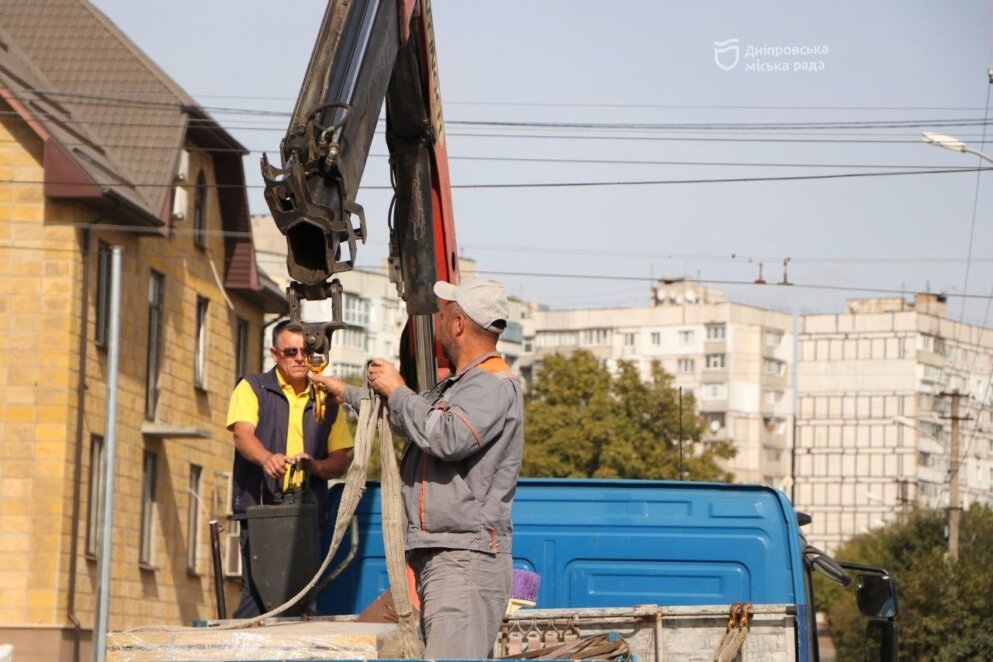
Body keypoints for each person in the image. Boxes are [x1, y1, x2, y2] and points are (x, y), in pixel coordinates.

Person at [311, 279, 524, 658]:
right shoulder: (459, 388)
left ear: (458, 324)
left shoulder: (491, 386)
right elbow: (408, 418)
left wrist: (397, 390)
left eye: (443, 315)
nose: (439, 323)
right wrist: (343, 391)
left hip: (464, 557)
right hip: (448, 553)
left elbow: (445, 435)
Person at [226, 319, 353, 618]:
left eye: (306, 352)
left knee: (301, 599)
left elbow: (339, 460)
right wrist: (267, 458)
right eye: (290, 351)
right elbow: (242, 435)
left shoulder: (326, 400)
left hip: (307, 515)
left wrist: (316, 466)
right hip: (260, 510)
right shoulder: (253, 388)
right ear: (274, 353)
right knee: (258, 596)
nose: (299, 358)